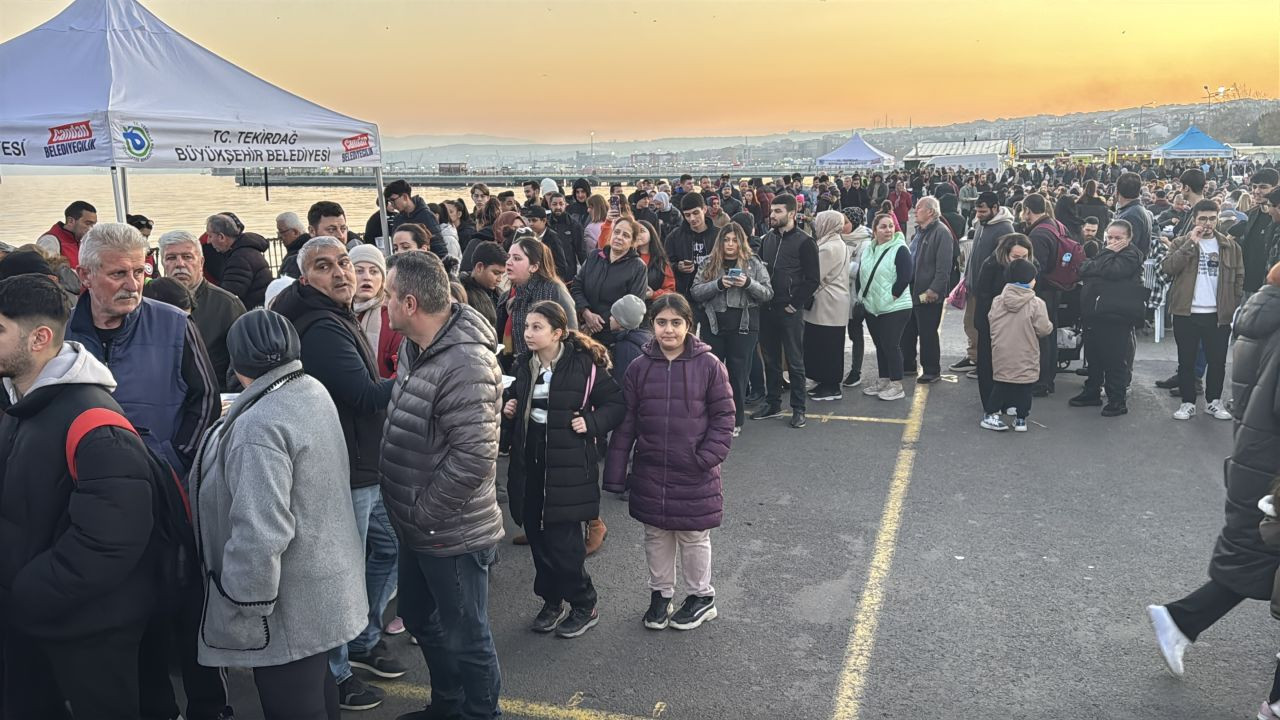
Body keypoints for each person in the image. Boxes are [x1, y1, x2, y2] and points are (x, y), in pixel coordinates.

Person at [191, 310, 369, 720]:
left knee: (293, 702)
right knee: (319, 691)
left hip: (285, 604)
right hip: (325, 584)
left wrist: (240, 604)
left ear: (236, 364)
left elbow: (260, 532)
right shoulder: (309, 389)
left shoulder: (259, 426)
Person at [0, 274, 158, 720]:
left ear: (40, 338)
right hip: (36, 622)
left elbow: (111, 541)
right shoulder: (22, 404)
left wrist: (26, 592)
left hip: (87, 632)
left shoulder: (93, 421)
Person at [270, 237, 401, 711]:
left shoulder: (334, 315)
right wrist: (414, 375)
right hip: (346, 467)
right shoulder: (323, 327)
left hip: (364, 462)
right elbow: (364, 395)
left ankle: (363, 637)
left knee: (386, 549)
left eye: (344, 262)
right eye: (326, 267)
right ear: (307, 279)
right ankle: (339, 670)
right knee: (344, 570)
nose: (342, 273)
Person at [379, 251, 505, 720]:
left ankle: (479, 713)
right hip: (420, 526)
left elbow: (474, 457)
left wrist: (422, 514)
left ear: (410, 303)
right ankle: (449, 704)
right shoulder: (419, 346)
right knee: (420, 617)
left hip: (449, 532)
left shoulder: (465, 365)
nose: (382, 303)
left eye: (389, 295)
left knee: (467, 635)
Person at [1148, 262, 1280, 683]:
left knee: (1252, 560)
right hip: (1270, 468)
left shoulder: (1263, 315)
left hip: (1258, 457)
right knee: (1254, 557)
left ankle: (1181, 620)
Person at [603, 294, 734, 631]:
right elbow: (627, 421)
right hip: (651, 470)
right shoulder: (639, 368)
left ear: (688, 325)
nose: (669, 329)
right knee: (656, 534)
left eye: (676, 322)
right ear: (652, 325)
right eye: (662, 322)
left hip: (694, 471)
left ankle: (701, 597)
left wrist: (705, 457)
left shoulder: (709, 365)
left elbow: (724, 417)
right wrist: (616, 473)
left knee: (693, 535)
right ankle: (661, 594)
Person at [502, 300, 624, 638]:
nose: (528, 333)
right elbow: (515, 403)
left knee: (565, 544)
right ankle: (551, 601)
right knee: (538, 539)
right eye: (527, 327)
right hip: (530, 462)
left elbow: (617, 404)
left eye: (537, 327)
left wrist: (591, 421)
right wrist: (508, 410)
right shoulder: (525, 364)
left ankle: (584, 603)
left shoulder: (583, 365)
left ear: (557, 332)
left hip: (568, 465)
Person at [1160, 199, 1244, 421]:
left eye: (1212, 218)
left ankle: (1213, 401)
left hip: (1217, 315)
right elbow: (1168, 268)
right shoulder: (1181, 242)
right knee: (1186, 361)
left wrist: (1232, 303)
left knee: (1217, 361)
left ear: (1217, 219)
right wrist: (1191, 243)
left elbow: (1239, 277)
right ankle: (1188, 403)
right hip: (1186, 312)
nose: (1207, 223)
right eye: (1203, 219)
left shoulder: (1230, 246)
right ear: (1195, 220)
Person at [691, 222, 773, 434]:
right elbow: (696, 291)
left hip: (744, 326)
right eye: (726, 239)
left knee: (738, 375)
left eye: (734, 240)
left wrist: (747, 283)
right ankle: (711, 415)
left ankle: (736, 421)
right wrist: (718, 284)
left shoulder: (753, 262)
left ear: (741, 241)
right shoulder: (710, 262)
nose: (730, 244)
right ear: (720, 242)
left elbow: (767, 293)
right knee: (712, 373)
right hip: (714, 325)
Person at [754, 194, 819, 428]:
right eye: (772, 211)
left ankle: (799, 408)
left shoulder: (805, 241)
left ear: (792, 213)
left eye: (778, 211)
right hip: (767, 308)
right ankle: (772, 403)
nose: (772, 215)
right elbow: (760, 271)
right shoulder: (767, 240)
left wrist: (795, 304)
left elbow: (813, 280)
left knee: (794, 361)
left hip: (789, 310)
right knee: (770, 359)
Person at [1070, 219, 1145, 416]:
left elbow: (1112, 271)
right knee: (1093, 356)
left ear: (1128, 239)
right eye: (1109, 238)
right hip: (1094, 311)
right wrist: (1101, 260)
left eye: (1118, 238)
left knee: (1114, 359)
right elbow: (1083, 268)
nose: (1112, 242)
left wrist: (1105, 256)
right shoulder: (1105, 253)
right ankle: (1091, 391)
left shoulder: (1131, 255)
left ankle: (1117, 400)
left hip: (1116, 314)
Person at [983, 259, 1053, 432]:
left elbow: (991, 319)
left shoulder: (998, 301)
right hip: (1027, 351)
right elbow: (1044, 329)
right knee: (1025, 385)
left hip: (1002, 350)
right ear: (1030, 281)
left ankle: (992, 413)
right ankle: (1021, 419)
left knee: (1002, 383)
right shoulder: (1037, 304)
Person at [953, 193, 1014, 374]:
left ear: (995, 208)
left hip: (988, 291)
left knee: (983, 328)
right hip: (973, 286)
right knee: (970, 324)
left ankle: (984, 362)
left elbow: (1003, 263)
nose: (978, 215)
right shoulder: (981, 224)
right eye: (977, 211)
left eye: (983, 211)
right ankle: (974, 357)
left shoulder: (1005, 229)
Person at [857, 213, 914, 402]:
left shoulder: (900, 248)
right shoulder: (869, 250)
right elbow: (861, 273)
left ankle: (897, 385)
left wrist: (893, 295)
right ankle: (884, 379)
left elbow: (906, 276)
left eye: (890, 226)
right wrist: (862, 296)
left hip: (895, 307)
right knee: (880, 345)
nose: (888, 230)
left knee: (891, 344)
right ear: (874, 230)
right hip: (873, 307)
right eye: (883, 226)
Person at [900, 196, 954, 384]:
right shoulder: (919, 232)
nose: (915, 210)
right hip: (913, 289)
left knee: (927, 332)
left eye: (919, 208)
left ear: (930, 211)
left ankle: (931, 370)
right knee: (908, 329)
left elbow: (943, 268)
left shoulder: (941, 233)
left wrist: (934, 290)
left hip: (928, 292)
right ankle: (907, 364)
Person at [803, 210, 852, 402]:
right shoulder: (838, 243)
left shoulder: (828, 248)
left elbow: (815, 275)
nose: (816, 225)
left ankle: (830, 386)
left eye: (819, 222)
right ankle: (825, 382)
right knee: (827, 343)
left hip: (827, 303)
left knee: (826, 345)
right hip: (833, 302)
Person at [572, 218, 648, 341]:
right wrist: (586, 313)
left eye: (626, 235)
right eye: (616, 232)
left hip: (613, 336)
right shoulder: (594, 256)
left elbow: (632, 307)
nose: (619, 237)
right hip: (583, 327)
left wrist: (595, 324)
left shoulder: (638, 267)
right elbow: (577, 285)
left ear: (633, 242)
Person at [505, 236, 579, 363]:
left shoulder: (553, 290)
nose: (508, 262)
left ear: (534, 267)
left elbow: (571, 334)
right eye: (508, 257)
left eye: (516, 258)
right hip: (521, 368)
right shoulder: (510, 294)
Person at [1020, 194, 1063, 396]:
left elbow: (1036, 268)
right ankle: (1047, 378)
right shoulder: (1055, 225)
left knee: (1041, 336)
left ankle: (1042, 380)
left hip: (1043, 291)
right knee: (1048, 334)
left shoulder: (1038, 235)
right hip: (1054, 289)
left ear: (1027, 210)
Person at [350, 245, 404, 379]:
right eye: (359, 271)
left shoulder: (393, 317)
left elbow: (403, 369)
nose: (367, 277)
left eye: (374, 271)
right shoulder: (338, 314)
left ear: (382, 280)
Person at [205, 213, 271, 309]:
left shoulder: (239, 259)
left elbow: (228, 296)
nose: (208, 241)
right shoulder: (245, 251)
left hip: (251, 313)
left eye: (210, 236)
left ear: (221, 237)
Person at [840, 207, 872, 388]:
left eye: (845, 222)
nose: (842, 226)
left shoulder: (864, 241)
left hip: (855, 296)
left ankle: (856, 370)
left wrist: (840, 264)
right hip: (838, 295)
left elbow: (862, 270)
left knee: (855, 333)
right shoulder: (839, 238)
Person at [665, 193, 720, 297]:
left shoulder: (719, 235)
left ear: (704, 209)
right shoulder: (674, 236)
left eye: (696, 213)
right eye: (687, 215)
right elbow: (664, 263)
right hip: (685, 292)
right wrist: (677, 267)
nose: (692, 219)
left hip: (713, 292)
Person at [281, 202, 351, 279]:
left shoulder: (355, 257)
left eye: (343, 229)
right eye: (331, 230)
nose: (340, 235)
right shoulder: (295, 264)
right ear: (312, 231)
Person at [384, 179, 446, 255]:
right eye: (390, 202)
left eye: (393, 201)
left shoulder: (426, 216)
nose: (392, 205)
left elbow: (439, 248)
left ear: (405, 197)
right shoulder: (398, 219)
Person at [460, 241, 507, 334]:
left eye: (502, 274)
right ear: (479, 267)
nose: (500, 279)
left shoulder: (498, 294)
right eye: (496, 273)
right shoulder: (463, 296)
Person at [36, 200, 97, 269]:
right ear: (70, 221)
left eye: (93, 224)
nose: (91, 229)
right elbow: (48, 271)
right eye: (88, 223)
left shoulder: (83, 240)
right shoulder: (50, 240)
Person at [607, 294, 652, 387]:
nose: (610, 318)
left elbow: (621, 382)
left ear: (621, 322)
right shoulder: (645, 338)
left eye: (613, 316)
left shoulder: (625, 348)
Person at [546, 191, 589, 279]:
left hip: (568, 273)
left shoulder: (574, 225)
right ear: (550, 205)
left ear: (565, 205)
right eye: (554, 204)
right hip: (548, 271)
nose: (558, 207)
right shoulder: (545, 224)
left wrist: (587, 272)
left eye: (561, 204)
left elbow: (581, 251)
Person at [633, 220, 676, 300]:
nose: (638, 234)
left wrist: (654, 294)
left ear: (651, 234)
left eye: (642, 231)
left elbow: (670, 290)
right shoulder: (626, 257)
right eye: (635, 231)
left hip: (652, 307)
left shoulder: (660, 262)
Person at [1113, 172, 1153, 257]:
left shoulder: (1130, 215)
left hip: (1126, 266)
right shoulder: (1137, 210)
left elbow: (1126, 249)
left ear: (1117, 191)